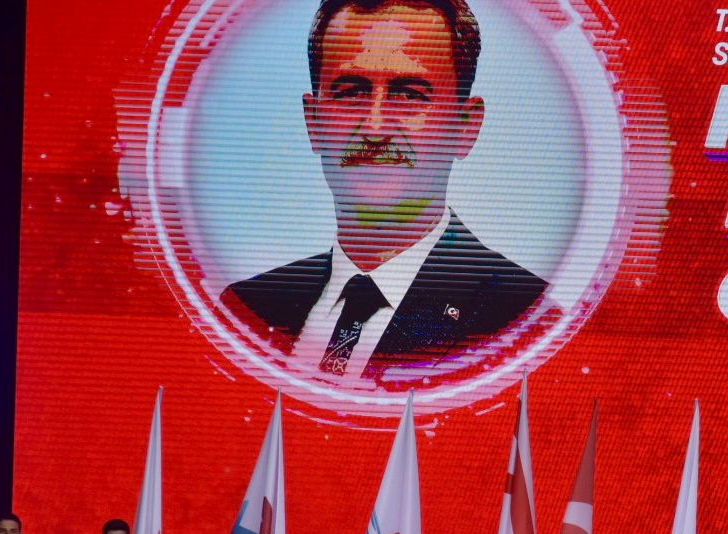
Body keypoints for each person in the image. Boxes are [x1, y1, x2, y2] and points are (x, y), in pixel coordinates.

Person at [221, 0, 549, 379]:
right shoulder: (244, 308)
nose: (375, 128)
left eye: (409, 94)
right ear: (313, 122)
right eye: (351, 92)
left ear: (464, 127)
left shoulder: (528, 320)